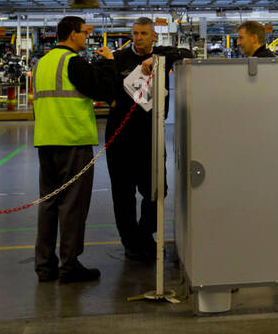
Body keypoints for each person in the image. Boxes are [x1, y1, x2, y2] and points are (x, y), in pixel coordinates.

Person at [31, 16, 119, 283]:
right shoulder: (73, 62)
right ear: (71, 34)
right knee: (72, 205)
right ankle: (70, 265)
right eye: (84, 33)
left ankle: (45, 266)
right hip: (72, 141)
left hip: (46, 141)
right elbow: (103, 89)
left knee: (48, 204)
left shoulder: (42, 63)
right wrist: (109, 62)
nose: (86, 38)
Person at [106, 17, 193, 261]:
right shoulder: (118, 58)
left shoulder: (161, 57)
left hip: (150, 135)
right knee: (123, 195)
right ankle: (132, 243)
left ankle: (144, 233)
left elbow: (187, 53)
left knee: (156, 189)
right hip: (120, 137)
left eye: (144, 33)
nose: (139, 38)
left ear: (154, 36)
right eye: (135, 33)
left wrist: (155, 59)